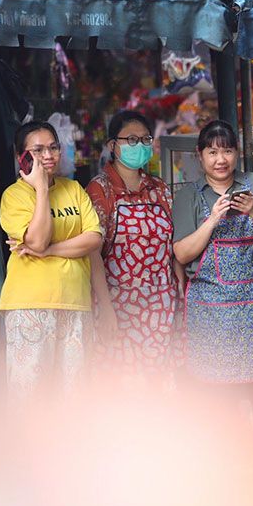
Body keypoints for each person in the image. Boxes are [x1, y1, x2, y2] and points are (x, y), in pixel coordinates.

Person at [172, 120, 253, 442]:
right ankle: (226, 459)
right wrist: (212, 220)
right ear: (200, 156)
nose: (220, 159)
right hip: (212, 315)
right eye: (212, 152)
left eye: (226, 151)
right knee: (218, 398)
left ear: (237, 154)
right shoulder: (188, 196)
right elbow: (182, 253)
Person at [0, 121, 103, 399]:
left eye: (53, 147)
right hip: (30, 306)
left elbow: (94, 239)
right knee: (31, 397)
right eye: (38, 150)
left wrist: (48, 252)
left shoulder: (74, 189)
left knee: (73, 397)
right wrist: (42, 188)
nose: (48, 155)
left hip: (75, 303)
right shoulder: (14, 196)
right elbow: (37, 240)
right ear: (21, 156)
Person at [85, 111, 182, 388]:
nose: (139, 145)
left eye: (145, 140)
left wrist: (179, 295)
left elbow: (173, 245)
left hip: (161, 304)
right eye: (131, 140)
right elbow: (93, 253)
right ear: (112, 145)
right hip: (118, 305)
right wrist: (106, 307)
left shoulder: (158, 188)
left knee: (158, 384)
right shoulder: (100, 189)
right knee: (121, 386)